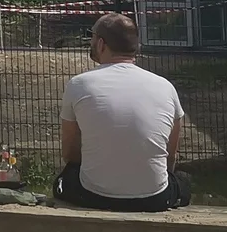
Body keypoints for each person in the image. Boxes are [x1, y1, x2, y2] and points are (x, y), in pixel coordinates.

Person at [57, 13, 190, 211]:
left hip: (94, 195)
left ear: (101, 44)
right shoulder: (165, 87)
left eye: (92, 38)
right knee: (182, 180)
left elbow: (70, 154)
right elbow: (170, 156)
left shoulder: (79, 84)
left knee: (64, 179)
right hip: (155, 198)